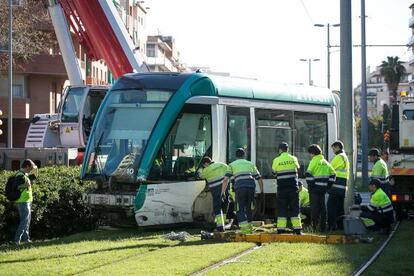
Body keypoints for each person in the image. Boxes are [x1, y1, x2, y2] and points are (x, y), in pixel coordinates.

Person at [222, 148, 264, 234]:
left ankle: (245, 230)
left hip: (240, 188)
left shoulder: (232, 165)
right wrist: (262, 191)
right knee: (249, 208)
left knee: (239, 209)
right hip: (251, 188)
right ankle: (249, 228)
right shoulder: (250, 164)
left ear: (236, 156)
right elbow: (259, 178)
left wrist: (222, 192)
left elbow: (226, 179)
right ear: (244, 155)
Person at [272, 142, 302, 234]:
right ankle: (297, 229)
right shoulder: (293, 158)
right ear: (287, 149)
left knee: (282, 208)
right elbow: (298, 168)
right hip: (293, 188)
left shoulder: (276, 160)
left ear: (280, 150)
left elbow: (274, 172)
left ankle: (281, 229)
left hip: (282, 189)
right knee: (295, 208)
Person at [305, 144, 336, 232]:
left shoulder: (314, 161)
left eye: (309, 153)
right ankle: (323, 227)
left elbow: (308, 174)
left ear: (313, 153)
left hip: (314, 189)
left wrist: (312, 185)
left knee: (314, 208)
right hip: (323, 189)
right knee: (322, 208)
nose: (309, 155)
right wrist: (328, 185)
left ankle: (314, 227)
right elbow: (333, 174)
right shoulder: (325, 162)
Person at [199, 157, 230, 232]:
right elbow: (229, 171)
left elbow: (200, 176)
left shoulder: (206, 170)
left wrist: (200, 170)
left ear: (206, 163)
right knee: (225, 204)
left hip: (216, 190)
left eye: (204, 165)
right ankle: (224, 223)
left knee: (217, 207)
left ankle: (220, 227)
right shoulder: (221, 164)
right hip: (225, 187)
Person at [14, 159, 38, 245]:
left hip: (27, 201)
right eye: (30, 168)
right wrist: (25, 185)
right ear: (27, 166)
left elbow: (35, 176)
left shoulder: (26, 174)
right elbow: (16, 187)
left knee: (27, 221)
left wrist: (35, 168)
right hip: (22, 201)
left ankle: (26, 239)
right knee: (24, 221)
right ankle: (17, 240)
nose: (31, 170)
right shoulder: (19, 175)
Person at [327, 140, 349, 231]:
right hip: (342, 186)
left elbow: (330, 169)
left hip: (336, 186)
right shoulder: (345, 157)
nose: (333, 151)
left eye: (333, 148)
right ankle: (341, 226)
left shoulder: (338, 157)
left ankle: (332, 226)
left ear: (338, 147)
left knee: (331, 206)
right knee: (340, 208)